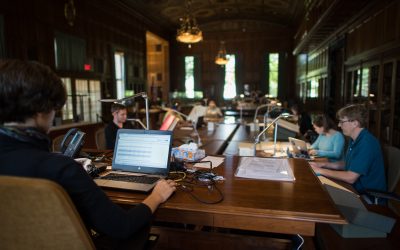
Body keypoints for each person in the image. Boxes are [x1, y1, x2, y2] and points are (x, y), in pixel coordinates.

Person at [0, 60, 177, 249]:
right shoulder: (61, 169)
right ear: (40, 110)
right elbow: (122, 227)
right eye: (54, 108)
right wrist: (157, 195)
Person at [309, 104, 387, 203]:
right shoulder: (354, 139)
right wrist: (322, 164)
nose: (339, 125)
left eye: (342, 121)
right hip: (354, 189)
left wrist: (320, 170)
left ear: (355, 123)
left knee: (321, 199)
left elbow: (351, 177)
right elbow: (347, 163)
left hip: (367, 197)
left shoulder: (366, 143)